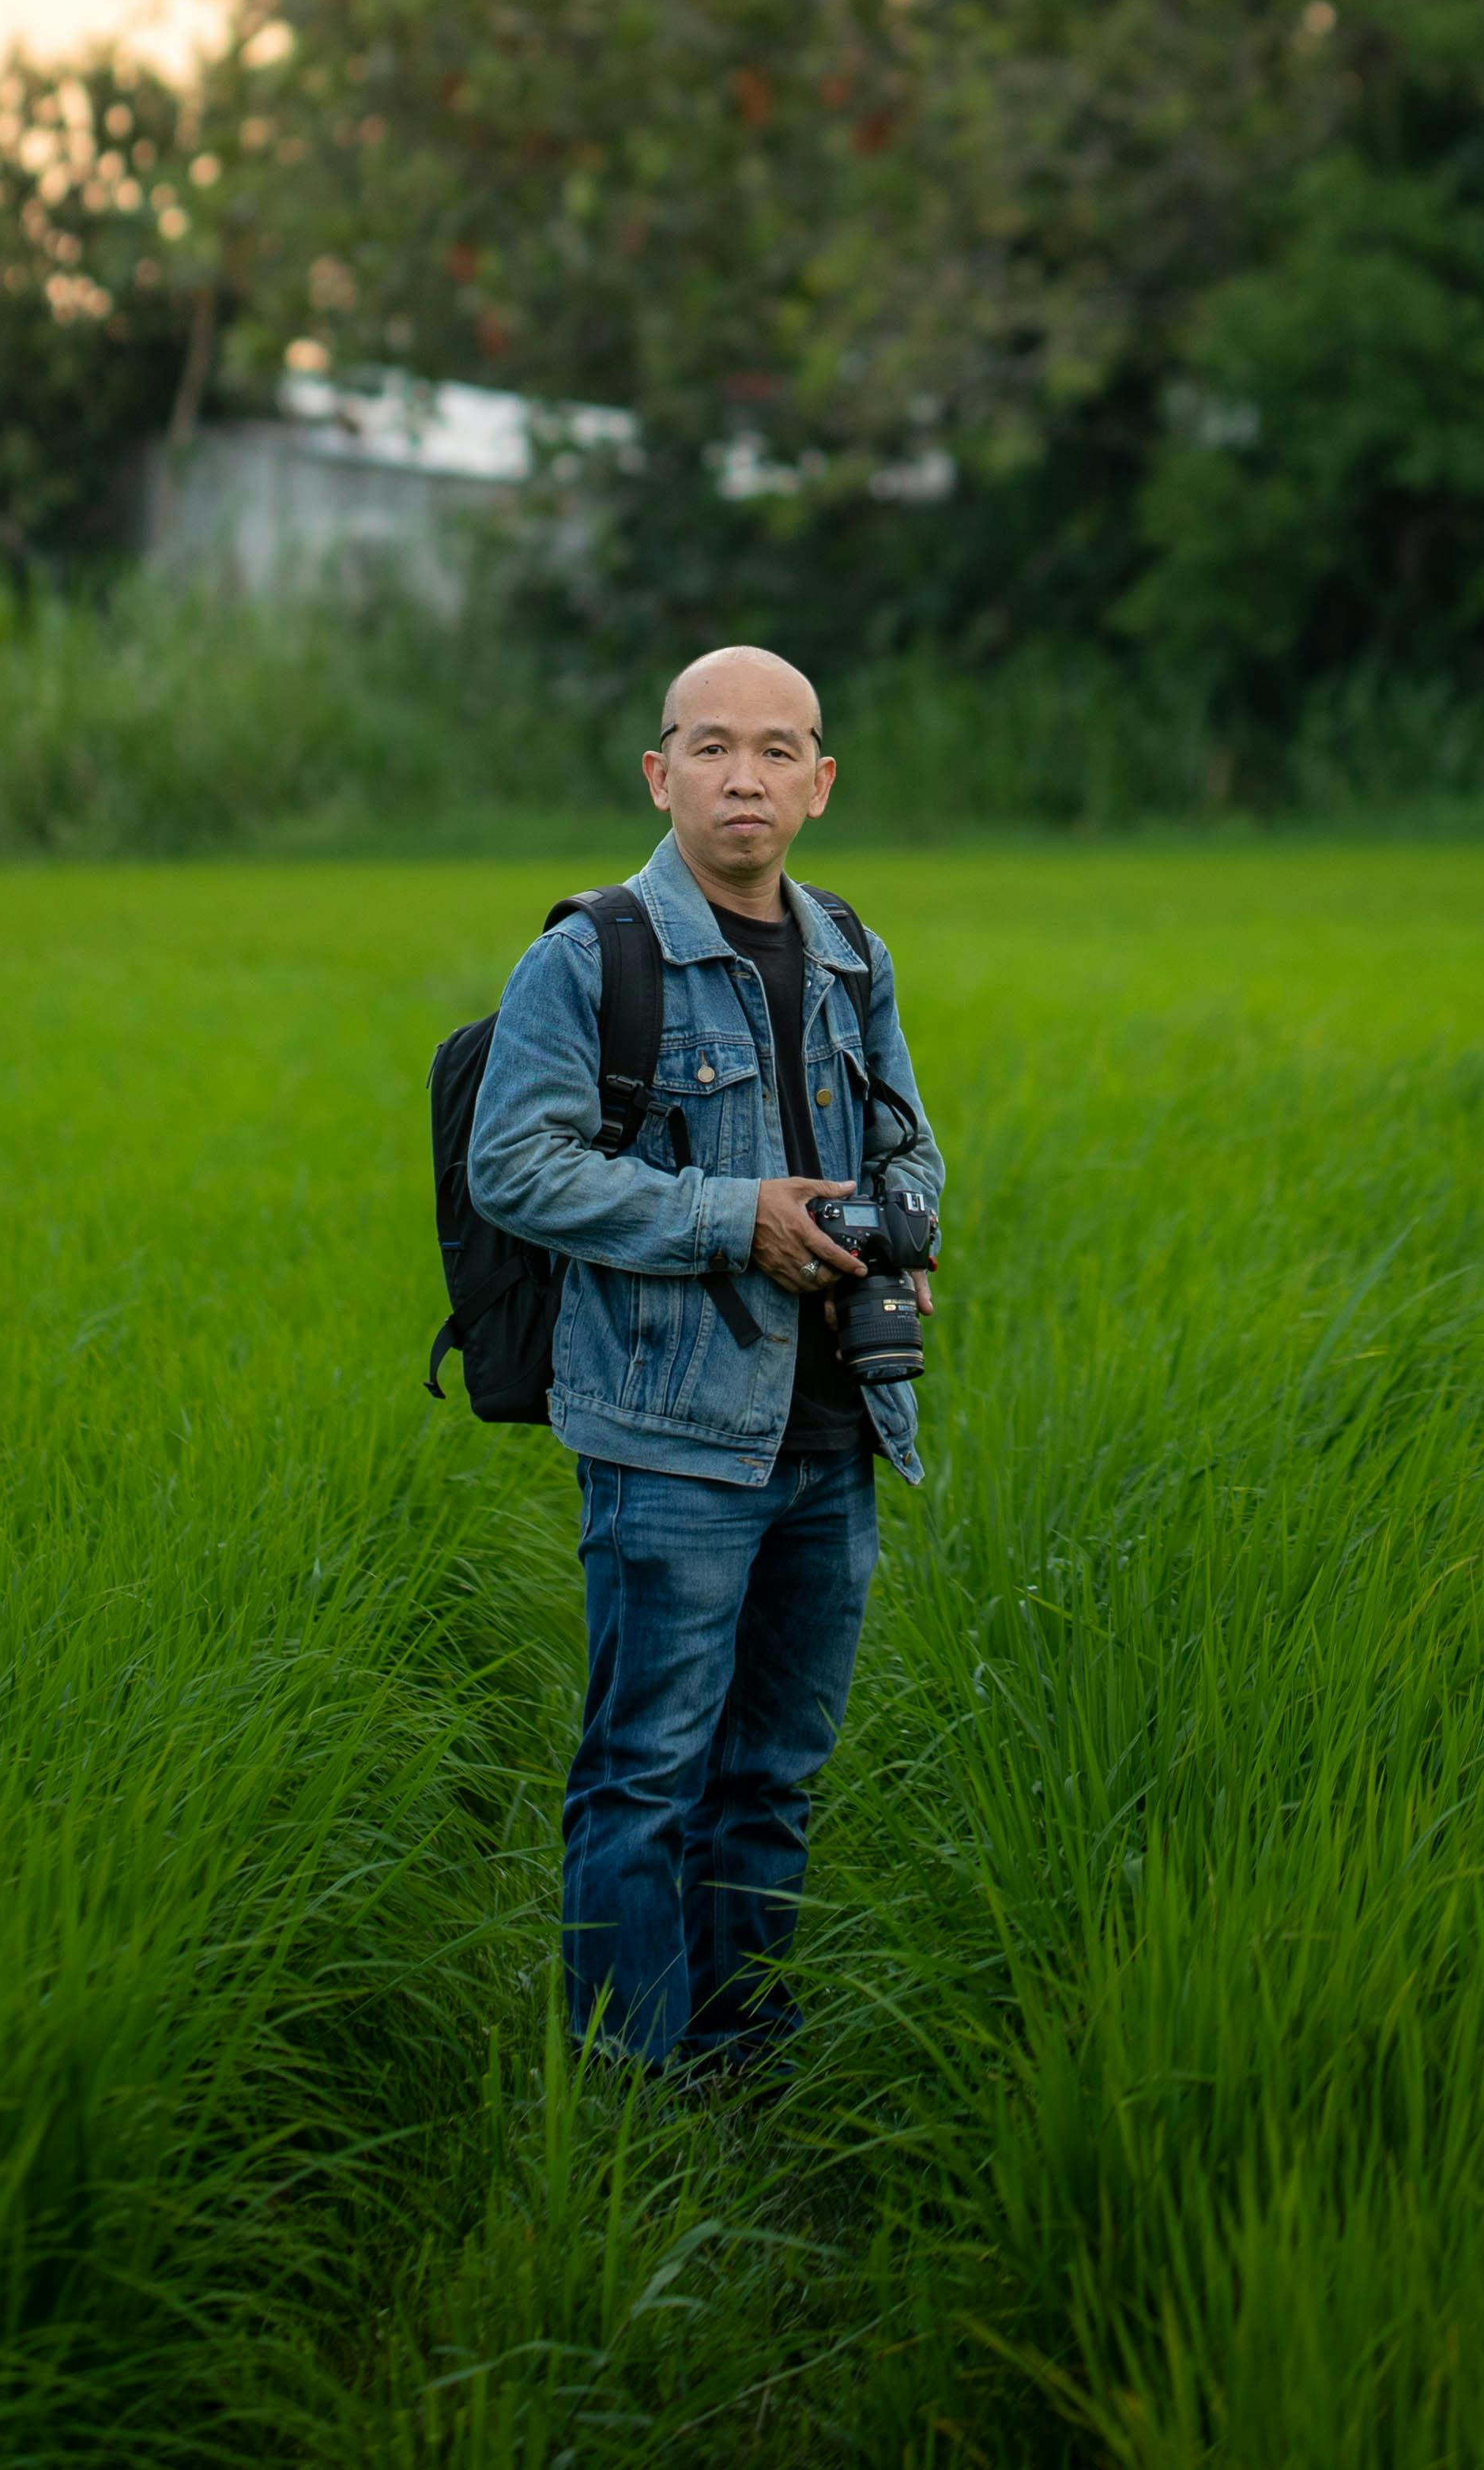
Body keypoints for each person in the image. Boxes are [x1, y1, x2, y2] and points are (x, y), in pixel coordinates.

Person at [468, 643, 946, 2077]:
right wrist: (734, 1218)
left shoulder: (850, 952)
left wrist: (900, 1236)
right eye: (713, 747)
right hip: (670, 1435)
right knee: (645, 1778)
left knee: (773, 1778)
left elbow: (910, 1144)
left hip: (836, 1428)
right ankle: (628, 2087)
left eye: (777, 751)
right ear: (658, 773)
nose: (746, 777)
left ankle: (742, 2066)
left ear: (820, 784)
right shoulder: (589, 958)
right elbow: (515, 1167)